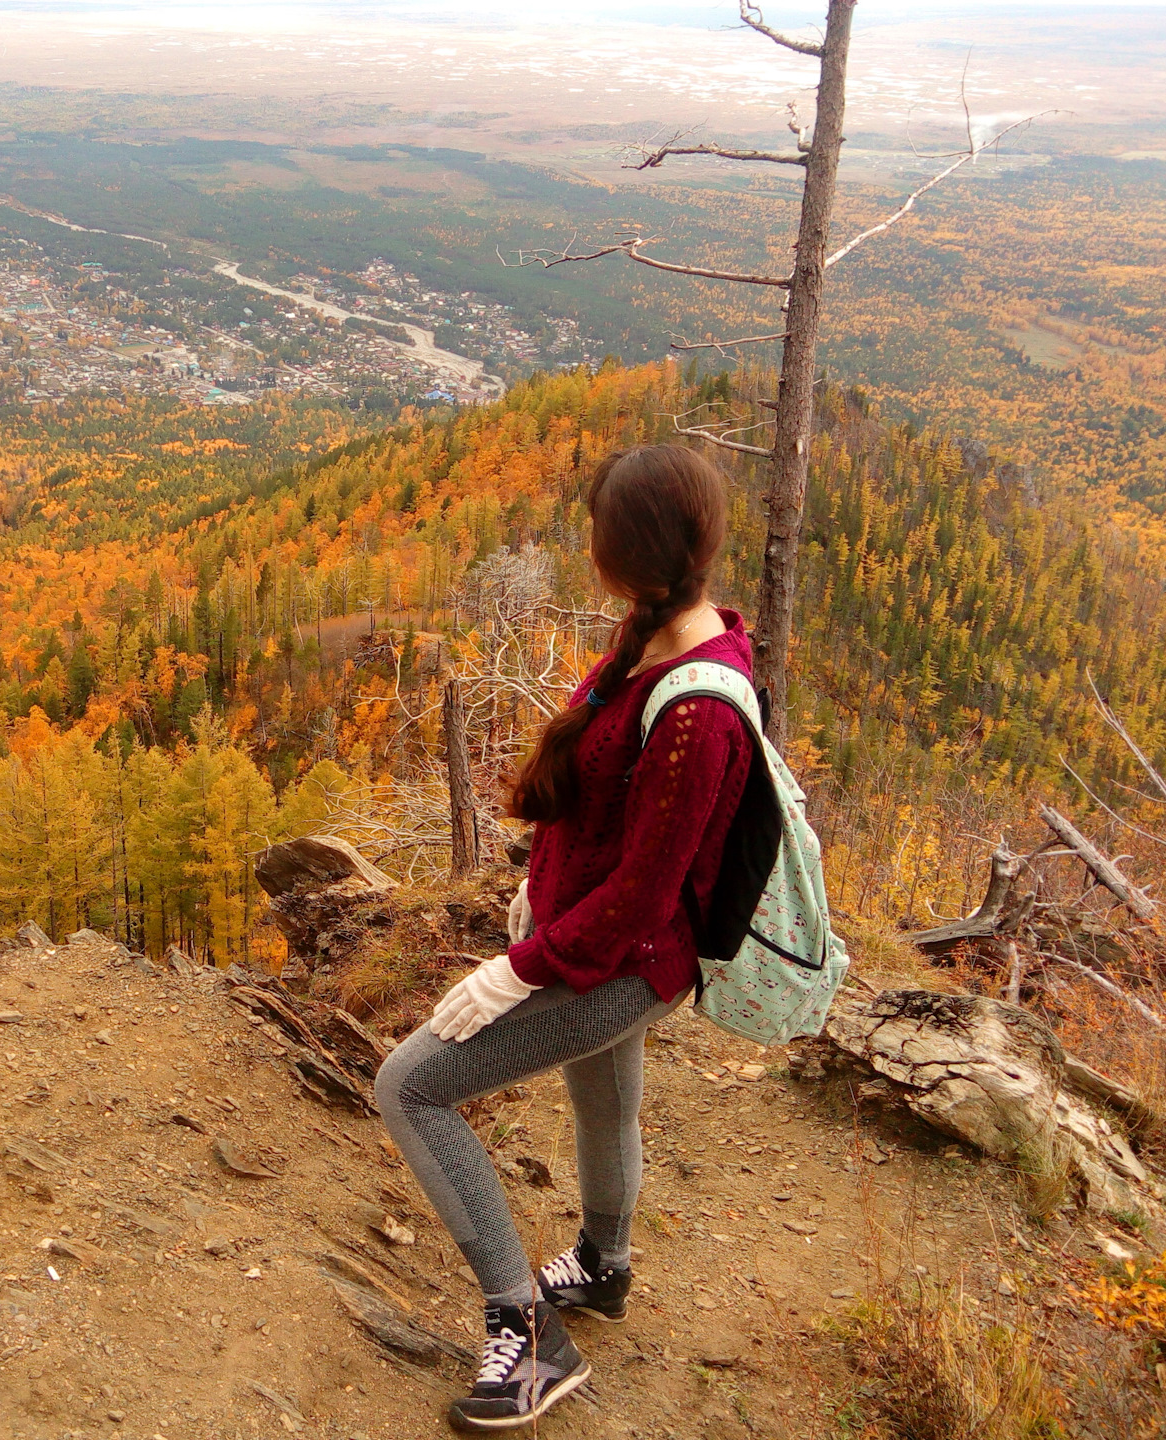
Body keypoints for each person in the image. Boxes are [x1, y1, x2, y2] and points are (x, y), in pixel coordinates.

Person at [375, 445, 757, 1432]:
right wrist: (535, 893)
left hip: (623, 961)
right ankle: (604, 1261)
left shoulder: (698, 711)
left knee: (410, 1087)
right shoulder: (658, 639)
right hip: (600, 945)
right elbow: (602, 815)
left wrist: (517, 971)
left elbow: (639, 899)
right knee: (604, 1102)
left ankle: (529, 1330)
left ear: (622, 553)